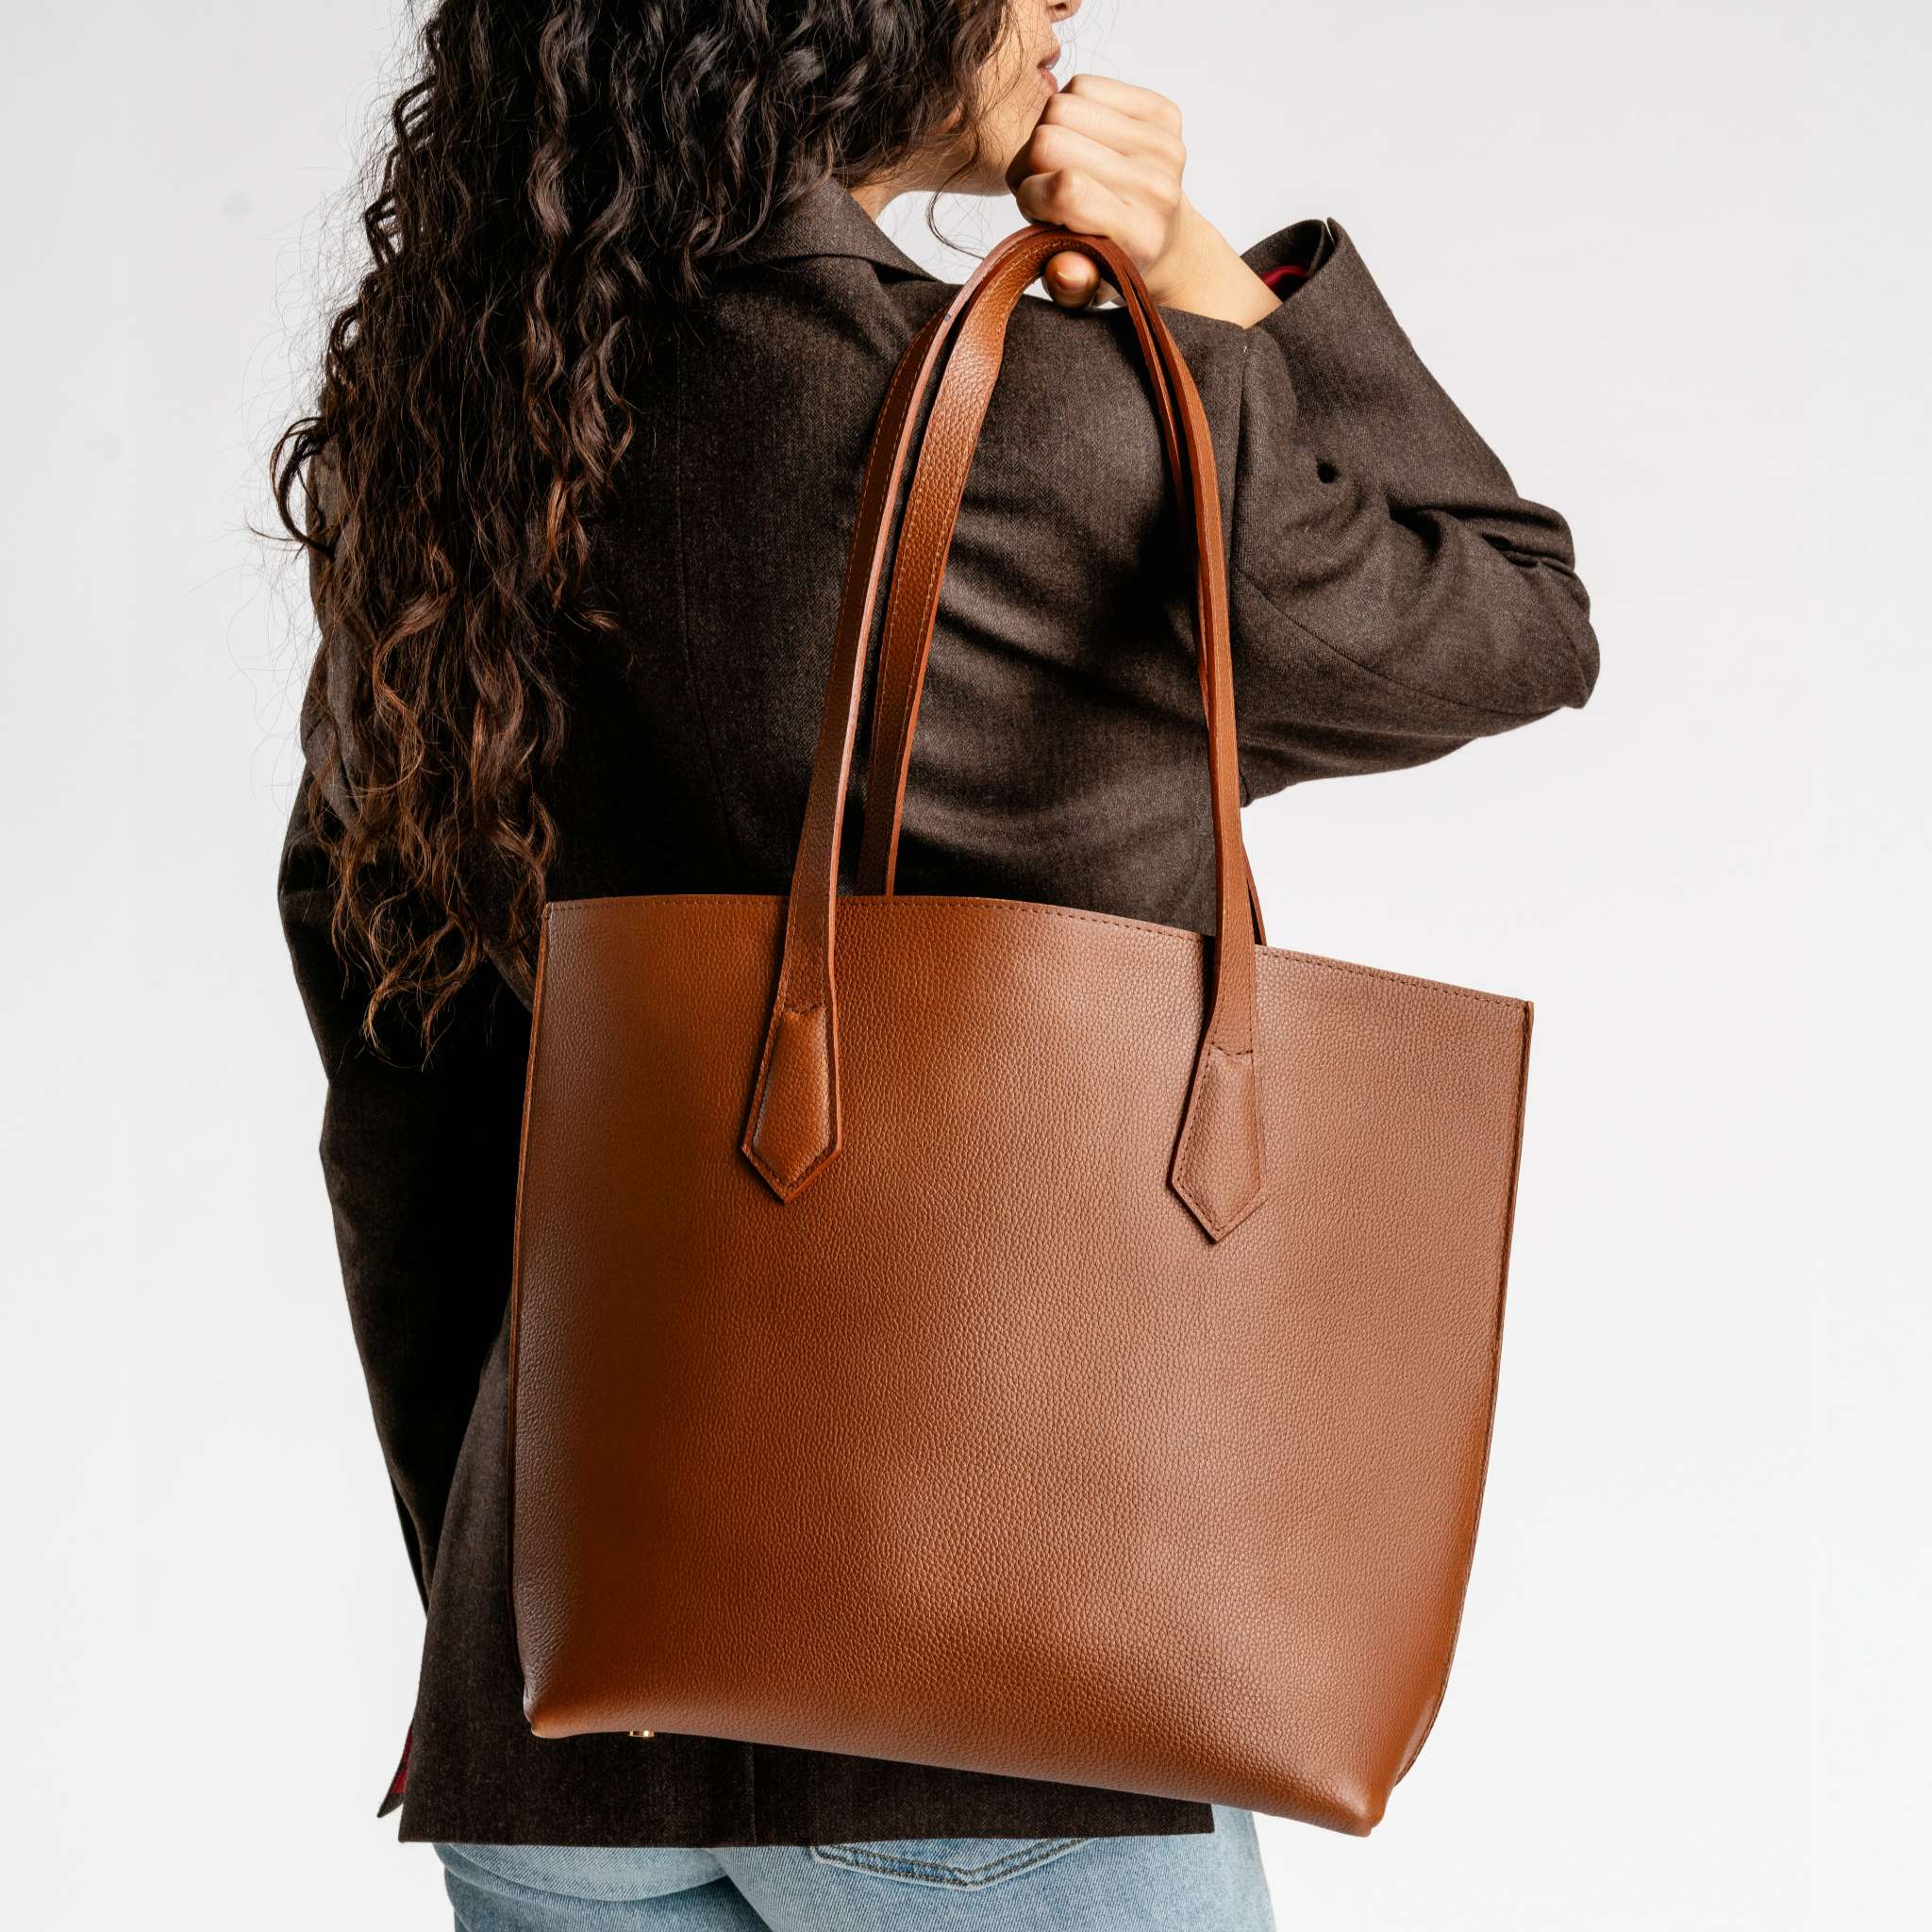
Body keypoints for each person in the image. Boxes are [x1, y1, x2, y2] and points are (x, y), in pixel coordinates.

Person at [274, 2, 1599, 1924]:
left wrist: (504, 1571)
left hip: (550, 1684)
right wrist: (1198, 278)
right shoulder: (1050, 432)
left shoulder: (474, 436)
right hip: (982, 1708)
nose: (1061, 5)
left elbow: (395, 1076)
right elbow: (1506, 615)